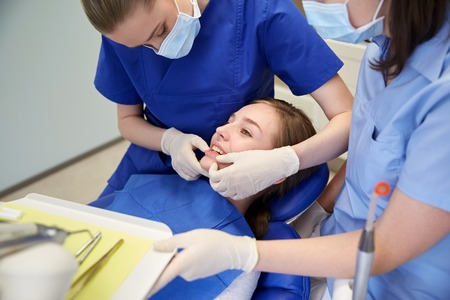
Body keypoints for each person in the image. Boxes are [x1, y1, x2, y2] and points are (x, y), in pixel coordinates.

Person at [148, 1, 450, 299]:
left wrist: (243, 253)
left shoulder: (442, 95)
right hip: (333, 245)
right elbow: (367, 153)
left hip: (395, 282)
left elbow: (387, 246)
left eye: (245, 130)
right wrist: (318, 210)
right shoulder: (381, 54)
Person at [80, 0, 353, 201]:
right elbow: (127, 120)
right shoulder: (125, 32)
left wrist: (286, 160)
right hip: (149, 168)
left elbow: (349, 117)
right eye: (140, 47)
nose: (158, 50)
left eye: (161, 30)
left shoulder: (260, 10)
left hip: (237, 181)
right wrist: (169, 141)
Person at [94, 98, 319, 299]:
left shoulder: (238, 259)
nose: (221, 129)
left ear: (273, 171)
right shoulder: (157, 181)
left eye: (246, 132)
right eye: (230, 121)